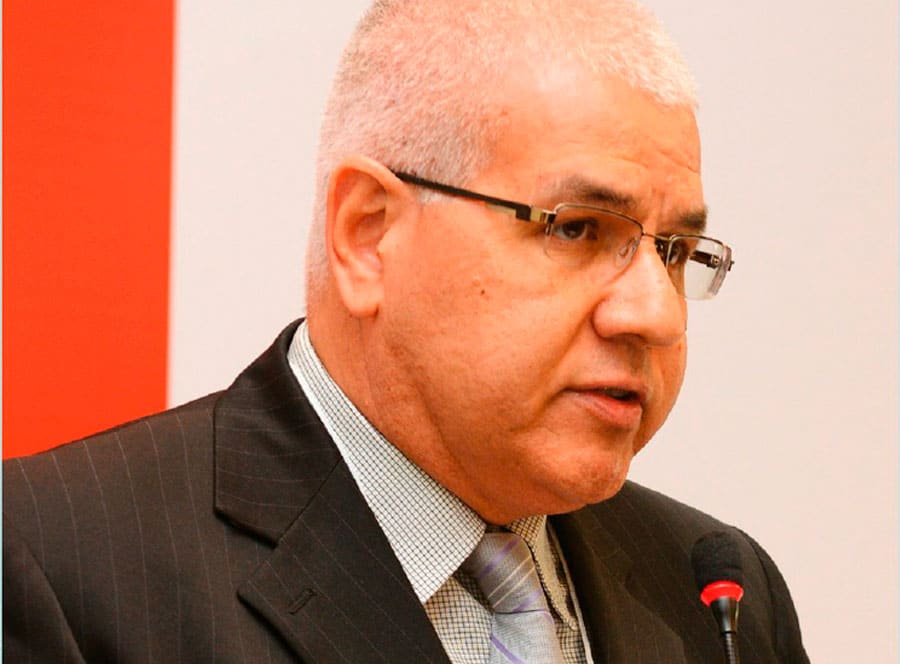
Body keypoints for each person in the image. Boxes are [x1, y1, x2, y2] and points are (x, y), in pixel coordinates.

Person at [3, 1, 809, 662]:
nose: (655, 315)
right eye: (577, 229)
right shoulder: (53, 569)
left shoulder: (719, 598)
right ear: (368, 234)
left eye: (676, 251)